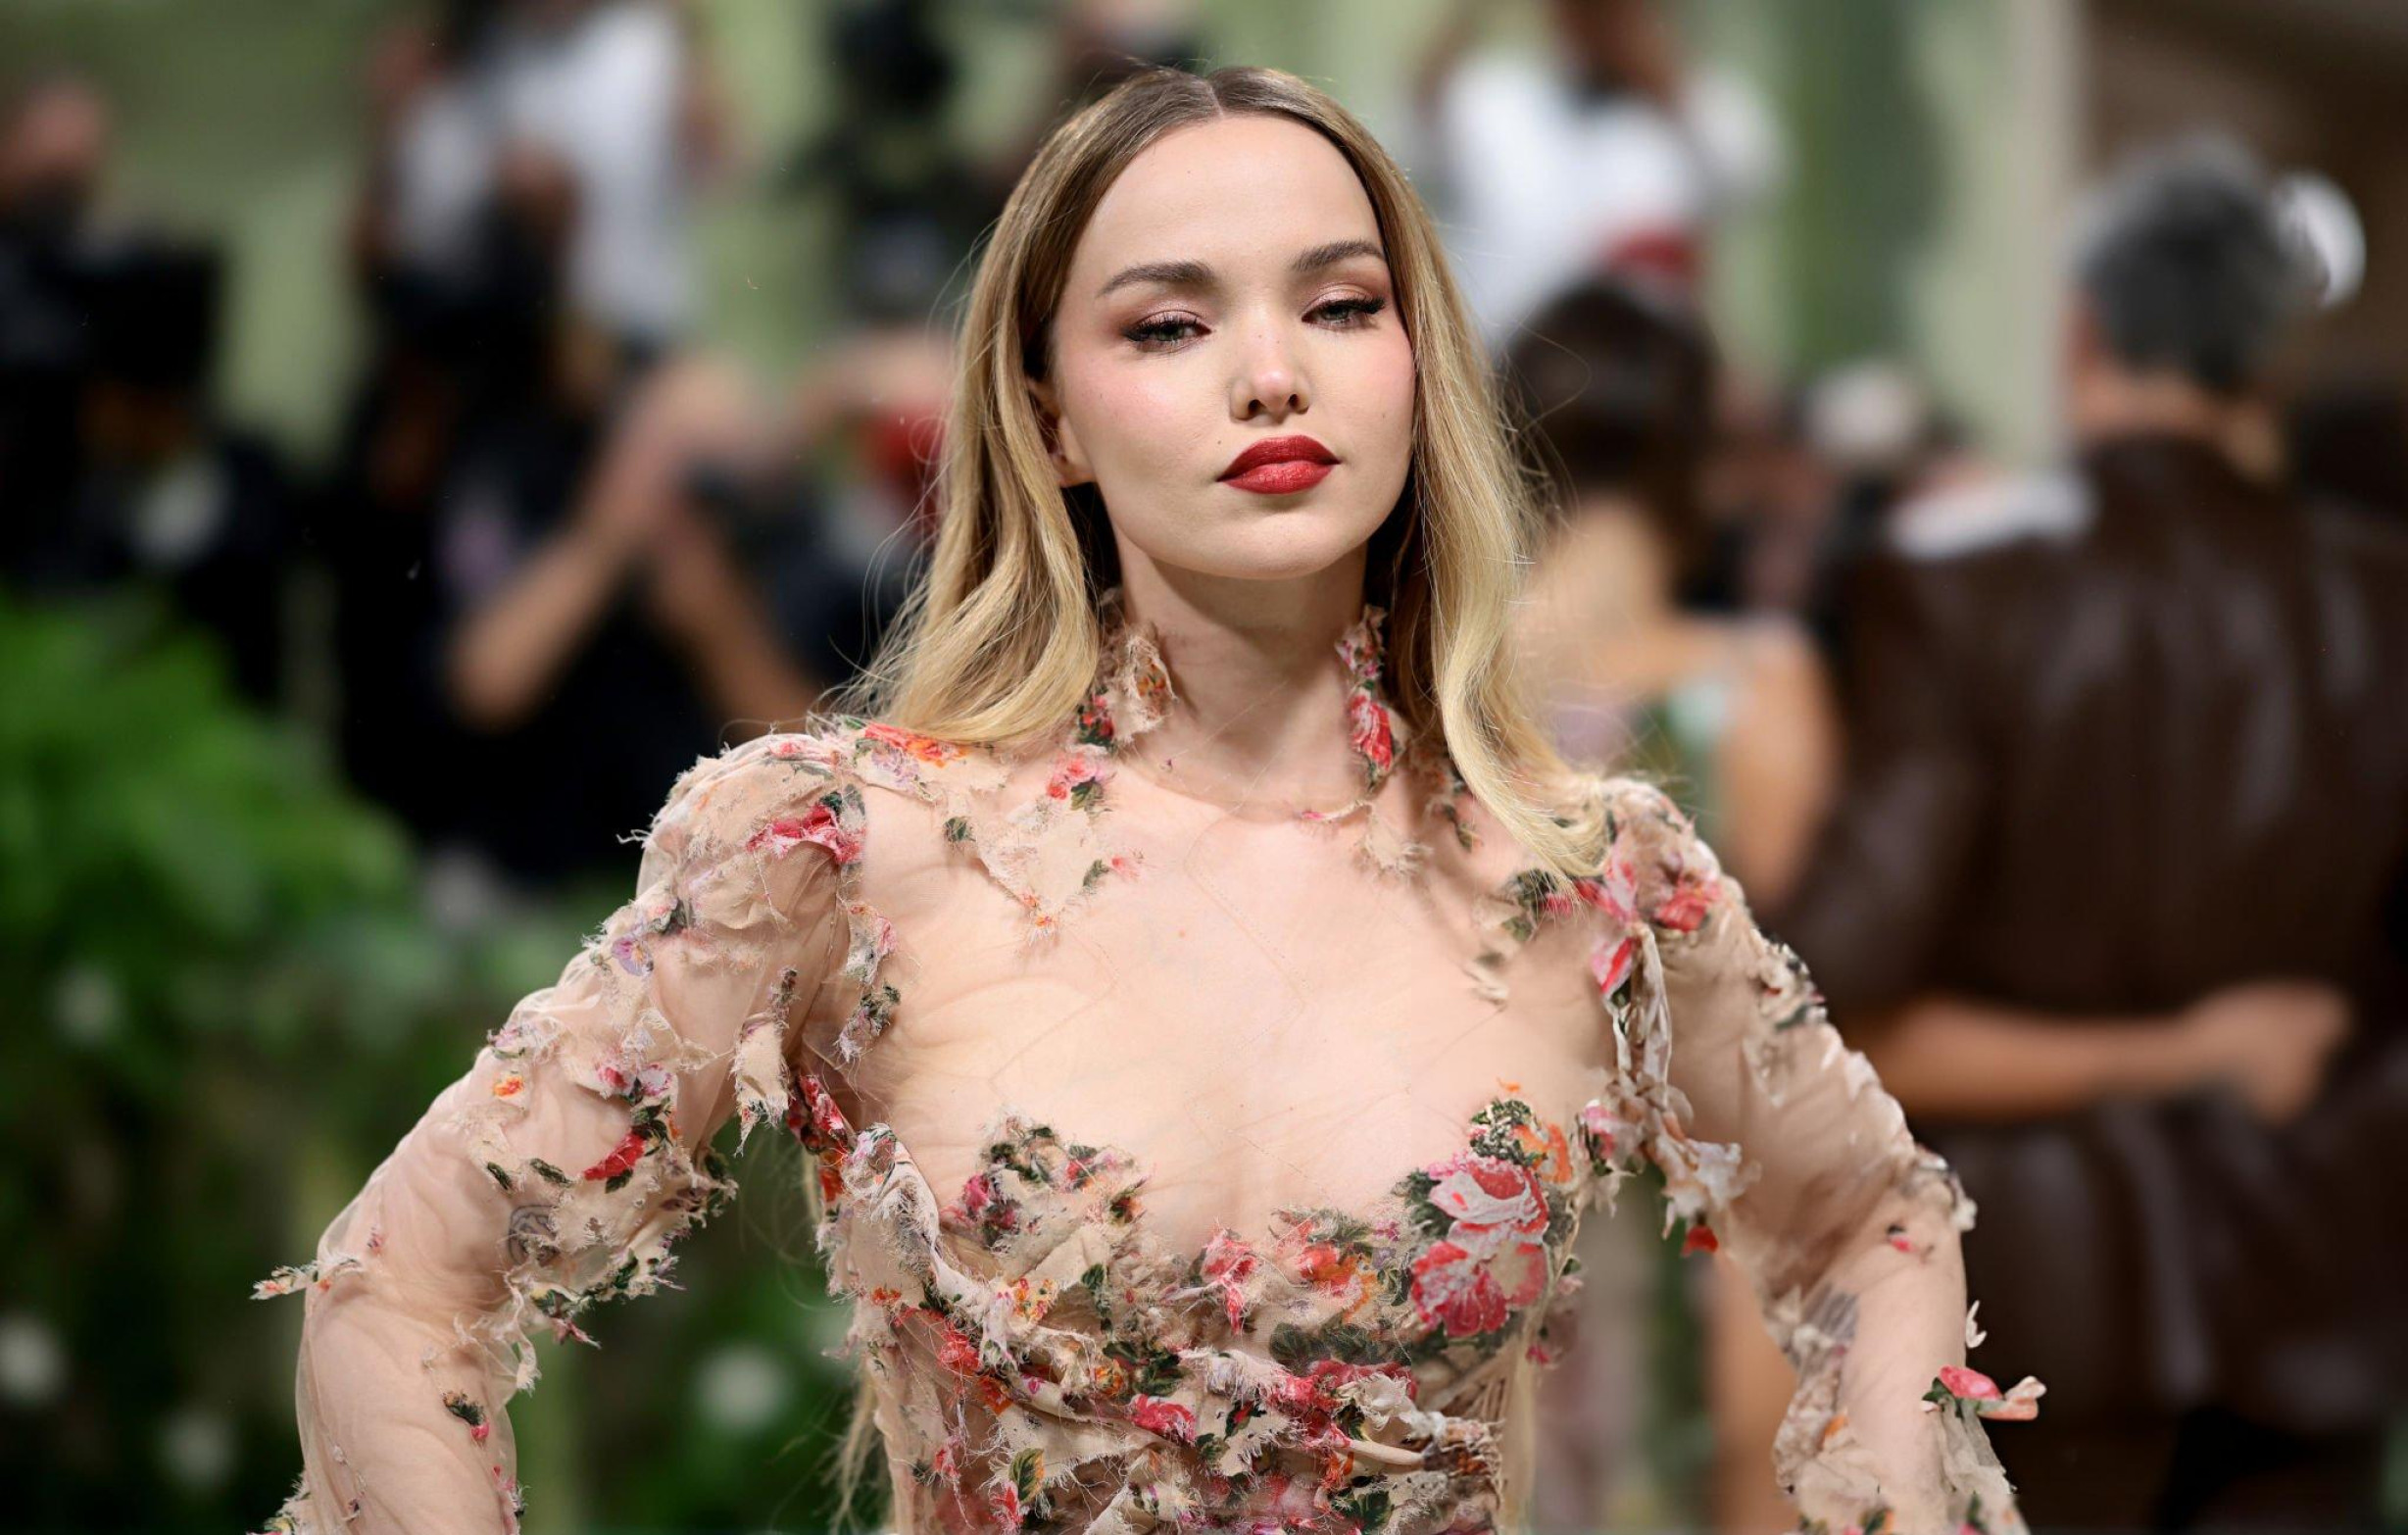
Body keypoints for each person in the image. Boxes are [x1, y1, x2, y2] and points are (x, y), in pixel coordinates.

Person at [252, 67, 2037, 1534]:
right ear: (1049, 422)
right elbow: (397, 1287)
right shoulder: (846, 848)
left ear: (1417, 364)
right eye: (1171, 323)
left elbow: (1875, 1224)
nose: (1273, 371)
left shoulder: (1581, 873)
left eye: (1342, 306)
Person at [1768, 135, 2408, 1530]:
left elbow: (1819, 992)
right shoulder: (2380, 603)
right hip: (2326, 1283)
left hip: (2032, 1300)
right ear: (2270, 360)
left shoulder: (1963, 595)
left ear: (2080, 330)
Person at [1505, 276, 1841, 1531]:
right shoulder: (1752, 685)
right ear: (1697, 458)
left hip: (1460, 1207)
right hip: (1690, 1224)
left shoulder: (1420, 686)